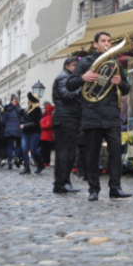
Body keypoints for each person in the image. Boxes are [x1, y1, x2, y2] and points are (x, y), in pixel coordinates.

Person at [69, 32, 132, 201]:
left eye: (109, 41)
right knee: (92, 154)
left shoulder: (115, 63)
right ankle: (93, 189)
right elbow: (70, 84)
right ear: (95, 44)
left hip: (111, 114)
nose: (107, 43)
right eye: (103, 41)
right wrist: (82, 77)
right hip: (92, 113)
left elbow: (127, 89)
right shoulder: (85, 63)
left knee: (116, 152)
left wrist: (121, 83)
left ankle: (115, 188)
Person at [52, 57, 83, 194]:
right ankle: (62, 183)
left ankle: (63, 182)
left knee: (67, 153)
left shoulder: (66, 77)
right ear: (67, 66)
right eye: (74, 65)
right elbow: (66, 94)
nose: (76, 68)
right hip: (66, 118)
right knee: (66, 153)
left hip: (67, 118)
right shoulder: (64, 77)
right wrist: (81, 89)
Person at [18, 92, 43, 175]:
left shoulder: (37, 109)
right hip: (25, 132)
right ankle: (26, 167)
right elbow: (23, 119)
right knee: (24, 149)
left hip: (34, 132)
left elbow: (36, 122)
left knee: (33, 150)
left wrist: (24, 125)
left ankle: (40, 164)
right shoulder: (26, 110)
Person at [1, 94, 23, 169]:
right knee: (18, 145)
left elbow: (3, 121)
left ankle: (10, 162)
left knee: (10, 146)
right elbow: (22, 119)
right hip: (17, 129)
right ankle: (16, 157)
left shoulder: (6, 109)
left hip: (9, 129)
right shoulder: (19, 109)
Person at [39, 102, 55, 171]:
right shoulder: (48, 117)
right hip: (45, 136)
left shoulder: (48, 117)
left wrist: (41, 125)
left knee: (45, 150)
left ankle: (45, 162)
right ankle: (45, 162)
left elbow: (47, 125)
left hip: (46, 136)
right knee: (45, 150)